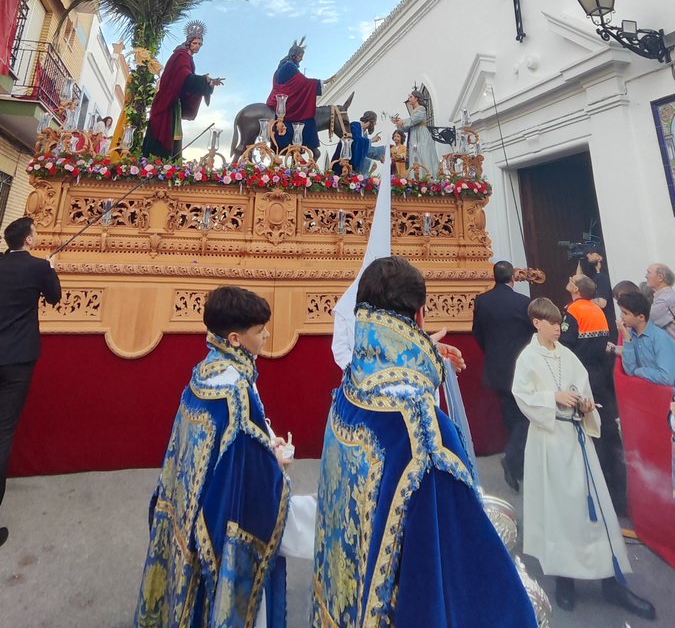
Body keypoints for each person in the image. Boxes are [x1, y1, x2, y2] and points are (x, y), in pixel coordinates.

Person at [311, 256, 539, 628]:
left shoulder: (351, 388)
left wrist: (422, 353)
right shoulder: (421, 427)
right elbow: (462, 568)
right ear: (420, 315)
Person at [134, 285, 315, 628]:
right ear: (235, 338)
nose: (265, 337)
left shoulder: (204, 372)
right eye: (259, 332)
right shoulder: (235, 392)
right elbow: (249, 483)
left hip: (188, 512)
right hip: (217, 527)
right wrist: (273, 461)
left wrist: (264, 445)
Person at [513, 297, 655, 619]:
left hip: (577, 441)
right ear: (537, 323)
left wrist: (586, 405)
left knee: (595, 509)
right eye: (552, 323)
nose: (558, 328)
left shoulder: (568, 355)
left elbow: (584, 388)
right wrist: (553, 397)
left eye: (559, 323)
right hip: (550, 443)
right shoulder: (528, 359)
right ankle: (566, 580)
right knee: (562, 512)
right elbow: (522, 395)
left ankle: (611, 583)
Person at [0, 216, 61, 548]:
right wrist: (50, 268)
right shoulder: (38, 267)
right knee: (3, 433)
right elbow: (54, 298)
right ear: (28, 239)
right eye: (35, 232)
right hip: (17, 358)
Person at [561, 274, 627, 515]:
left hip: (584, 374)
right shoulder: (597, 310)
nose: (568, 280)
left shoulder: (572, 311)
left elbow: (567, 344)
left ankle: (597, 488)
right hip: (601, 374)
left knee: (591, 431)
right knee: (608, 431)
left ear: (576, 289)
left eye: (572, 280)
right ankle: (619, 494)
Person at [471, 260, 533, 492]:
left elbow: (477, 331)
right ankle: (513, 459)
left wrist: (491, 351)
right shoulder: (522, 303)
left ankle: (517, 462)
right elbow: (532, 332)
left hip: (496, 366)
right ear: (513, 279)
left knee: (511, 413)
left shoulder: (483, 301)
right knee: (526, 417)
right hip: (519, 367)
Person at [142, 21, 223, 159]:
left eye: (200, 44)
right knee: (164, 136)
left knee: (173, 135)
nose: (197, 46)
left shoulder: (187, 57)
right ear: (189, 42)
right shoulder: (181, 56)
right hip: (167, 103)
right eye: (195, 43)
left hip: (174, 104)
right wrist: (206, 81)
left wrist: (207, 83)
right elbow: (183, 77)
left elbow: (185, 82)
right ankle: (156, 166)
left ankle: (167, 167)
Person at [266, 38, 324, 155]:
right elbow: (302, 82)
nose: (301, 59)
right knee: (306, 118)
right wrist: (320, 83)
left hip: (282, 97)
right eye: (300, 56)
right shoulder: (289, 66)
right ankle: (300, 146)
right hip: (284, 101)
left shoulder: (285, 66)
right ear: (294, 55)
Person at [615, 290, 675, 386]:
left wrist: (639, 371)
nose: (621, 316)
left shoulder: (660, 338)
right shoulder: (631, 335)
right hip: (648, 392)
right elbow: (630, 371)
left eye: (625, 313)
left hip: (669, 396)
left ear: (641, 317)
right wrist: (627, 339)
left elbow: (667, 378)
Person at [394, 88, 438, 177]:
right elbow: (408, 127)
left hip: (421, 134)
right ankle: (416, 176)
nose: (409, 99)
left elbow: (415, 119)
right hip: (414, 135)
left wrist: (402, 122)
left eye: (411, 97)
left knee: (423, 154)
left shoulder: (421, 109)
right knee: (415, 155)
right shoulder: (414, 112)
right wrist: (399, 125)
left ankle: (427, 175)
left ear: (416, 98)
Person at [577, 249, 617, 340]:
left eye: (591, 253)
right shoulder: (592, 278)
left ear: (599, 258)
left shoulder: (602, 277)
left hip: (607, 327)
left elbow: (602, 303)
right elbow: (577, 279)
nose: (588, 255)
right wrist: (580, 261)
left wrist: (583, 300)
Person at [333, 110, 385, 175]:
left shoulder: (364, 133)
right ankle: (362, 180)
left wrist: (381, 156)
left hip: (354, 158)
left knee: (373, 165)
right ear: (370, 121)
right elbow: (355, 140)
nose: (375, 124)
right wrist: (371, 140)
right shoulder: (355, 125)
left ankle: (362, 181)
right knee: (372, 165)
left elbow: (366, 151)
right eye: (375, 121)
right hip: (346, 157)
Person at [645, 262, 675, 340]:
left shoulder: (663, 301)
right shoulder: (669, 295)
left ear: (660, 277)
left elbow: (646, 326)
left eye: (649, 272)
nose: (646, 276)